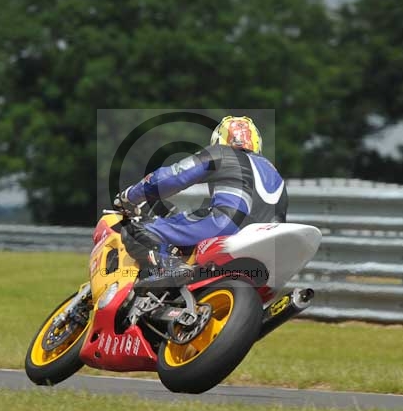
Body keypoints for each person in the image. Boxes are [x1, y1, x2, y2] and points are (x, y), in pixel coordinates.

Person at [114, 115, 288, 286]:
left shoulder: (223, 152)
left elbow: (172, 177)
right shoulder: (274, 172)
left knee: (136, 230)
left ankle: (170, 266)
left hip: (225, 225)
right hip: (268, 241)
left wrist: (130, 196)